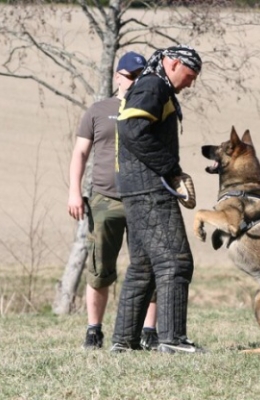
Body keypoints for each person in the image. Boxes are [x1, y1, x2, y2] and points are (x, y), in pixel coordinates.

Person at [110, 45, 202, 354]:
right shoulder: (154, 85)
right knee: (175, 262)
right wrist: (171, 169)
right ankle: (172, 340)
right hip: (149, 188)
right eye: (190, 75)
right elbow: (133, 130)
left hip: (135, 187)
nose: (191, 83)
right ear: (174, 63)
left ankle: (123, 342)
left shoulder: (149, 83)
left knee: (144, 267)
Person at [68, 51, 158, 350]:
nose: (133, 83)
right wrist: (74, 191)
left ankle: (149, 331)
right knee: (100, 268)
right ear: (117, 76)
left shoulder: (153, 108)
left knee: (148, 266)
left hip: (143, 199)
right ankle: (94, 330)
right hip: (105, 198)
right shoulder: (98, 110)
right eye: (130, 77)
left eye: (139, 78)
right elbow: (80, 153)